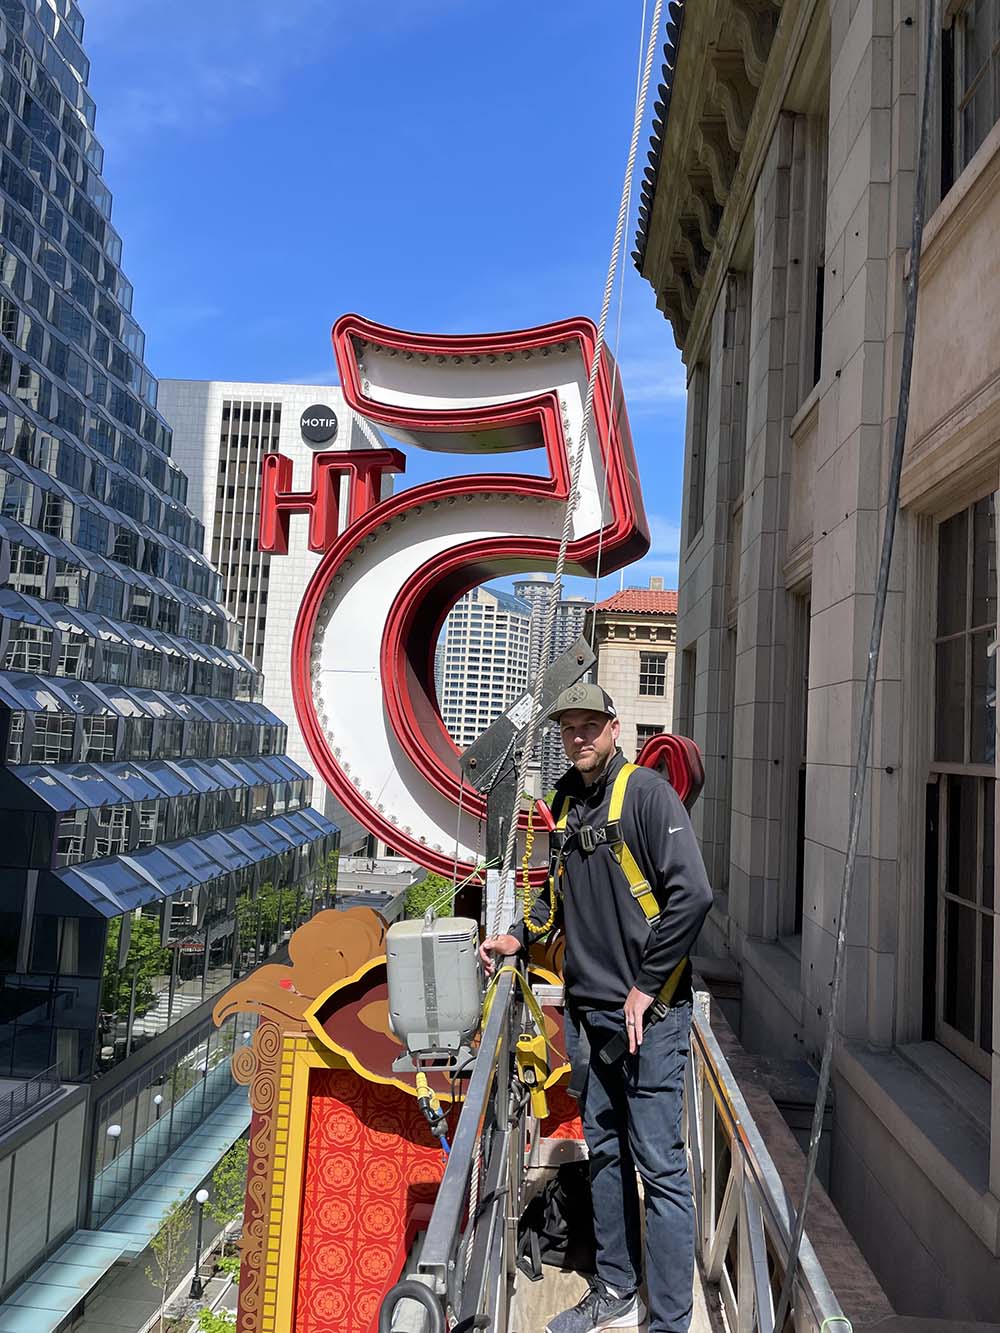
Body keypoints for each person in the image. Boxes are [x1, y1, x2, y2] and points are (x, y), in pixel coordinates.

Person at [480, 683, 713, 1333]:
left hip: (651, 1019)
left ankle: (667, 1320)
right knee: (605, 1153)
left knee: (661, 1169)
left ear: (615, 728)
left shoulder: (644, 794)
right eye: (569, 728)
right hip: (587, 1016)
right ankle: (616, 1286)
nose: (579, 736)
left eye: (590, 725)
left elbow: (692, 896)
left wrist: (647, 984)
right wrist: (519, 938)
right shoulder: (564, 800)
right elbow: (554, 894)